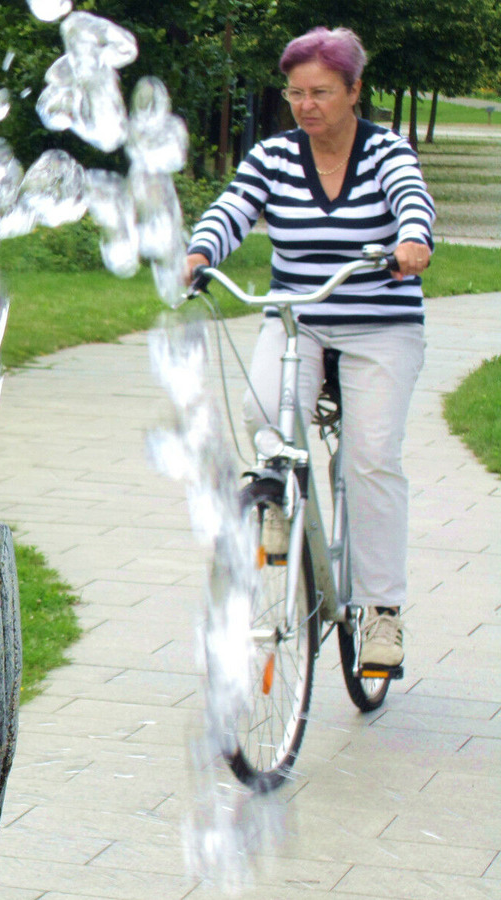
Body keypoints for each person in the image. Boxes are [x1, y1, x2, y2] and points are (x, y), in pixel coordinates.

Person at [184, 27, 435, 670]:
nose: (307, 105)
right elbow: (235, 206)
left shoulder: (387, 152)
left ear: (354, 91)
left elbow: (412, 200)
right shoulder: (272, 157)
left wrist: (412, 241)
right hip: (300, 318)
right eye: (296, 93)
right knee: (262, 410)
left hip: (382, 323)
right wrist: (200, 252)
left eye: (321, 91)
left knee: (371, 458)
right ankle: (274, 497)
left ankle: (381, 613)